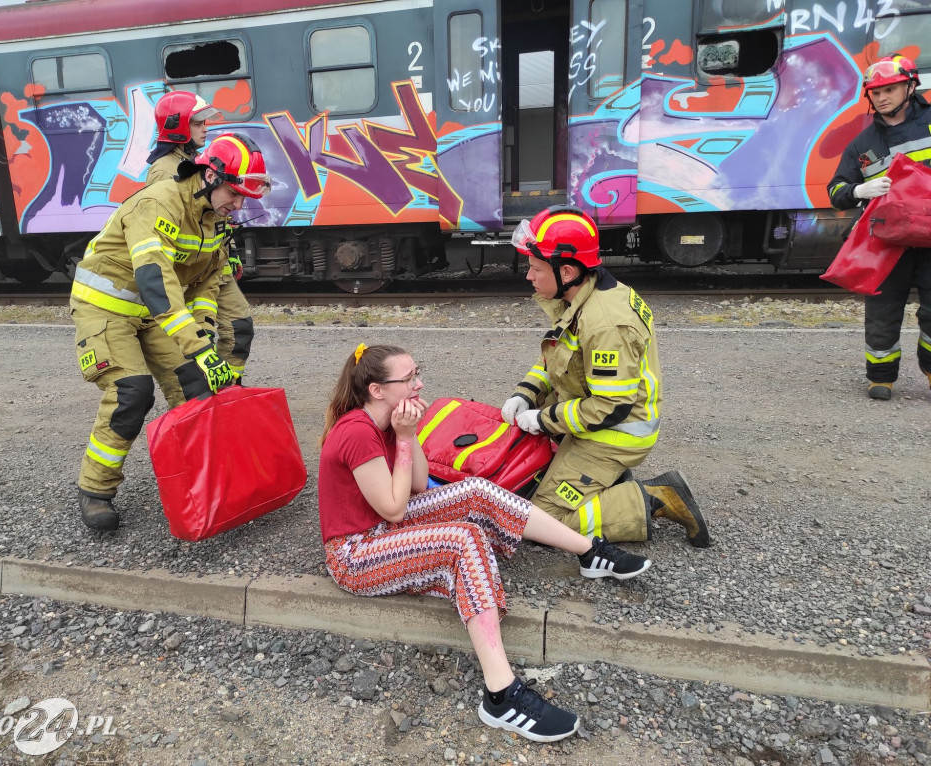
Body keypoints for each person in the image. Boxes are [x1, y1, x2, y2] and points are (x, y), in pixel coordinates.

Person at [318, 343, 651, 743]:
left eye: (417, 372)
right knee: (463, 540)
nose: (419, 383)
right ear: (377, 390)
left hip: (384, 528)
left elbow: (419, 484)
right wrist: (404, 439)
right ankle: (501, 695)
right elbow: (393, 508)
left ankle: (588, 551)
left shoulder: (390, 421)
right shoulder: (357, 431)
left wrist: (409, 434)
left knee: (477, 490)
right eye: (408, 379)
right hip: (354, 554)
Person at [72, 134, 271, 531]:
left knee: (196, 385)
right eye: (235, 194)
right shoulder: (158, 204)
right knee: (132, 392)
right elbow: (156, 284)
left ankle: (205, 483)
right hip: (107, 309)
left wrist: (204, 338)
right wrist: (198, 347)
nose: (239, 205)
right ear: (211, 177)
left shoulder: (214, 218)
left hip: (156, 314)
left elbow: (206, 284)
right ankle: (95, 489)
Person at [502, 206, 710, 548]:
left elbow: (610, 407)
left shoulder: (605, 323)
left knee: (541, 522)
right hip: (592, 420)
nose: (529, 277)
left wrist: (542, 419)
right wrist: (526, 392)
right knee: (531, 485)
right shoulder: (583, 294)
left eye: (536, 268)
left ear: (566, 271)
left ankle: (655, 497)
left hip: (613, 434)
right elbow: (558, 358)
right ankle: (608, 483)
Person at [827, 53, 931, 400]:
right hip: (888, 243)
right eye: (875, 92)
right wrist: (859, 190)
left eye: (890, 89)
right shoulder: (863, 145)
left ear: (910, 87)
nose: (882, 97)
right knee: (882, 314)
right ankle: (881, 377)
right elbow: (836, 192)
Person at [146, 92, 259, 405]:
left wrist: (228, 253)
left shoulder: (193, 161)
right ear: (176, 126)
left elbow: (209, 216)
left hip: (213, 263)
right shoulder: (165, 169)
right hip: (189, 270)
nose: (205, 127)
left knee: (240, 328)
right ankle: (198, 408)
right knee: (194, 349)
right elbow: (161, 226)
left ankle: (226, 395)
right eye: (197, 122)